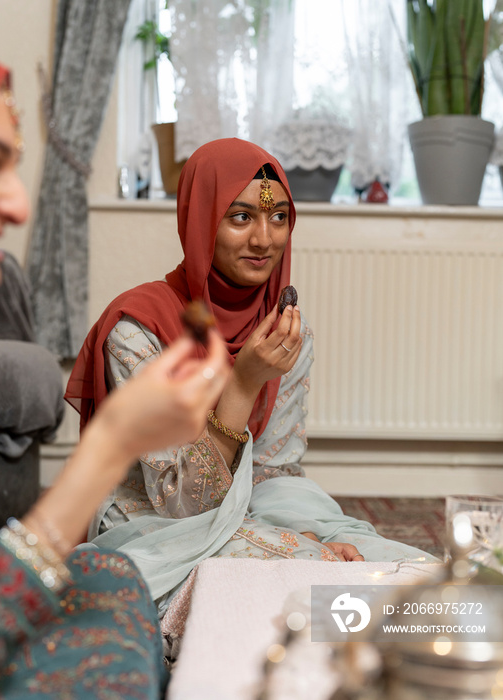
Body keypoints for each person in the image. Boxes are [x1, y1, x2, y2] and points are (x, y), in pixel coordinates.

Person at [66, 139, 438, 650]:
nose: (264, 239)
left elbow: (273, 471)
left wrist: (297, 536)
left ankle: (388, 642)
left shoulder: (284, 333)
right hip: (154, 523)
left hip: (248, 506)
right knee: (318, 583)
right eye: (240, 217)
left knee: (410, 573)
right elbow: (177, 502)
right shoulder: (139, 330)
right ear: (201, 220)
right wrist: (242, 383)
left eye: (279, 217)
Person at [0, 53, 229, 698]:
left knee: (107, 572)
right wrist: (112, 445)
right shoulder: (138, 323)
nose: (18, 202)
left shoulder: (286, 325)